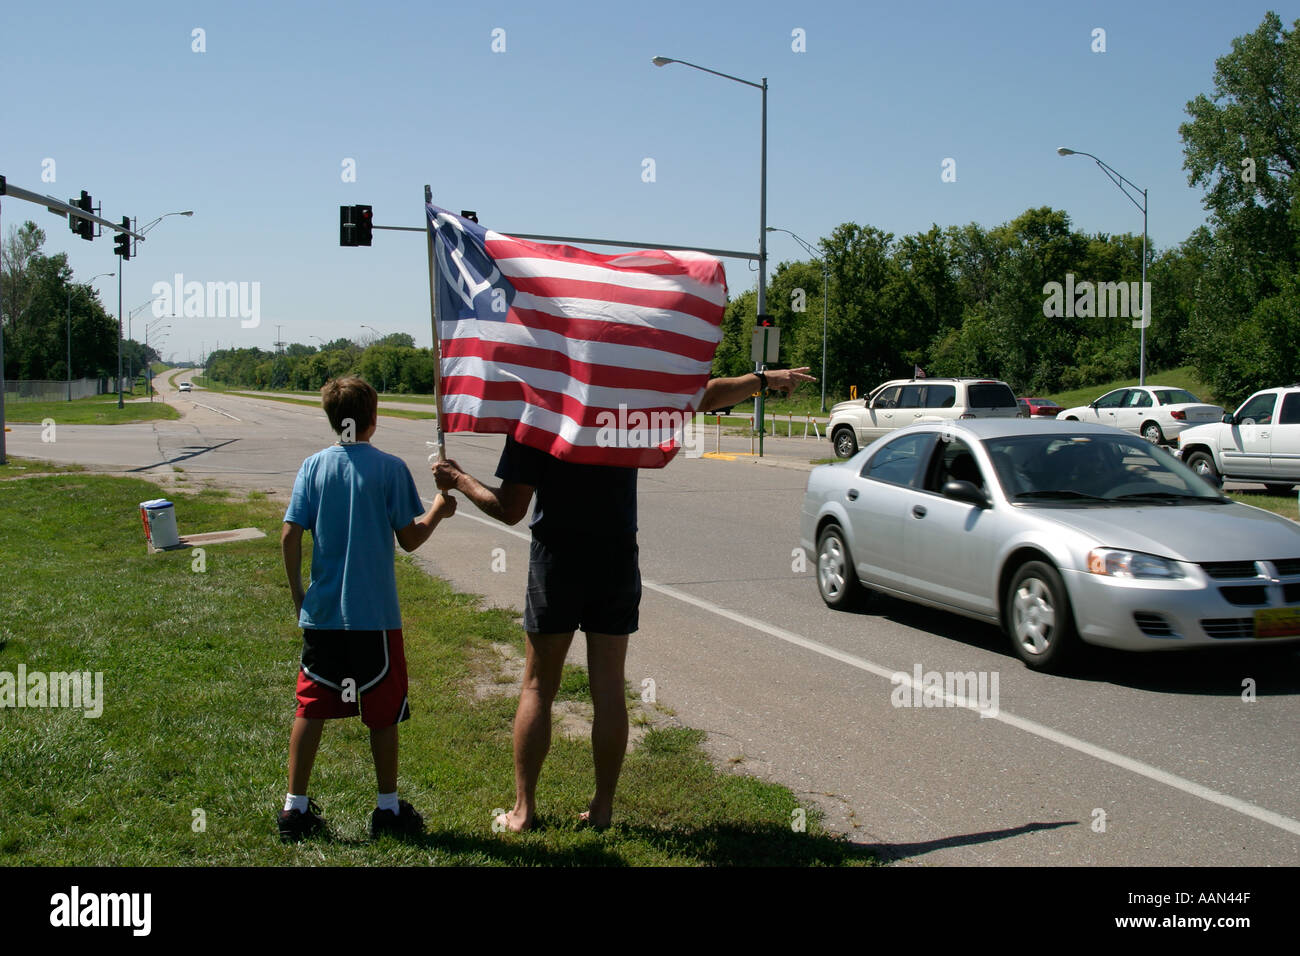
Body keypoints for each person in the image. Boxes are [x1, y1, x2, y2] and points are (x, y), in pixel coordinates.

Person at [433, 367, 814, 832]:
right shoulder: (628, 405)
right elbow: (700, 396)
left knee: (538, 686)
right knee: (609, 689)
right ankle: (602, 808)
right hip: (616, 553)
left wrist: (458, 478)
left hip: (557, 556)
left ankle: (523, 810)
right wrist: (762, 379)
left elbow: (509, 509)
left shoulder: (539, 412)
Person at [278, 376, 457, 842]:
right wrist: (438, 508)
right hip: (374, 617)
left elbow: (289, 534)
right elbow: (410, 538)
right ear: (373, 418)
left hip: (323, 617)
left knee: (310, 708)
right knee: (382, 712)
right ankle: (387, 808)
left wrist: (300, 595)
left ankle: (294, 809)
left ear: (332, 419)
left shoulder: (312, 467)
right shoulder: (390, 468)